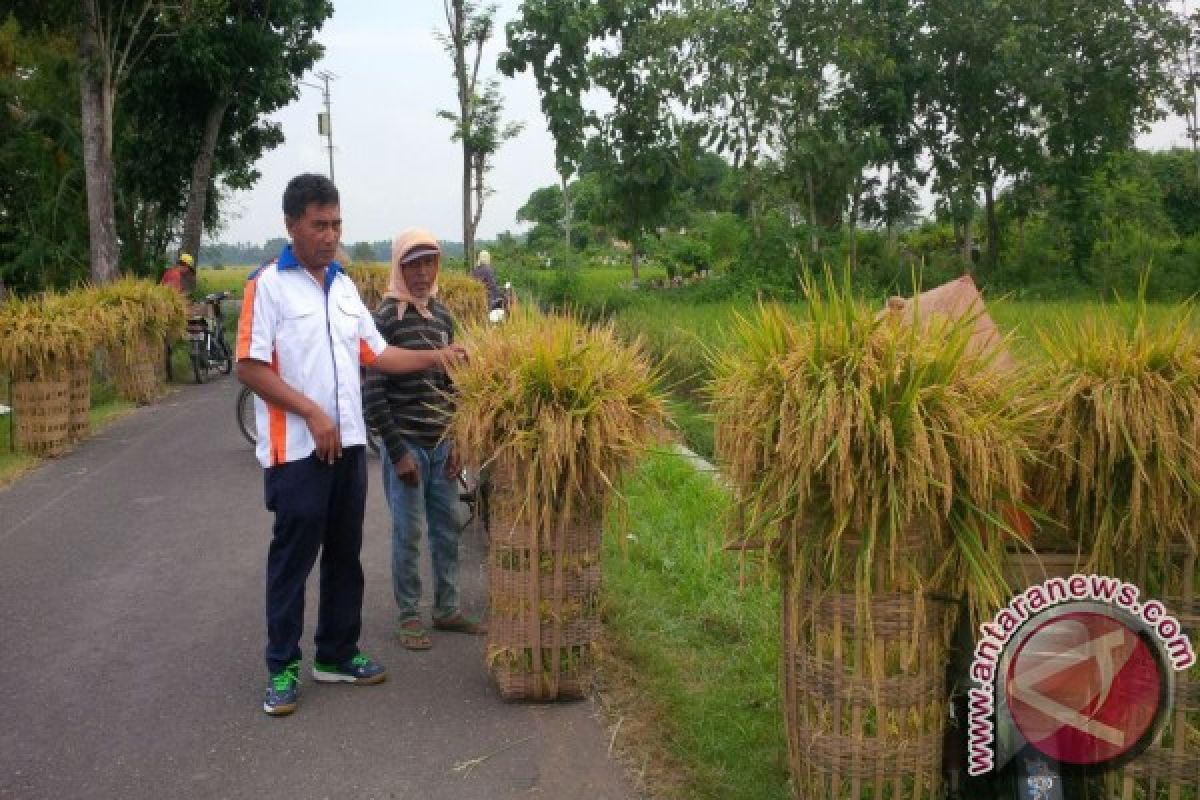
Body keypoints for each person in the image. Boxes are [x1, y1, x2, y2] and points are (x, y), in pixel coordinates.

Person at [235, 174, 467, 717]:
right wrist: (310, 412)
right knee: (293, 560)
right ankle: (283, 667)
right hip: (296, 452)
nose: (330, 235)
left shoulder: (342, 288)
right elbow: (248, 365)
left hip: (349, 449)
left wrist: (440, 357)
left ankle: (336, 653)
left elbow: (378, 354)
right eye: (319, 225)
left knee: (345, 555)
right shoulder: (266, 284)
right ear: (292, 225)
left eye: (336, 223)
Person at [364, 229, 487, 651]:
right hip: (408, 445)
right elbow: (373, 391)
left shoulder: (442, 318)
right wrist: (397, 451)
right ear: (398, 268)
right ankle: (409, 615)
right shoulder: (384, 319)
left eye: (429, 262)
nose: (421, 272)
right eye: (412, 264)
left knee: (447, 528)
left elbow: (452, 387)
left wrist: (459, 443)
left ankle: (448, 608)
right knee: (408, 533)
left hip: (441, 445)